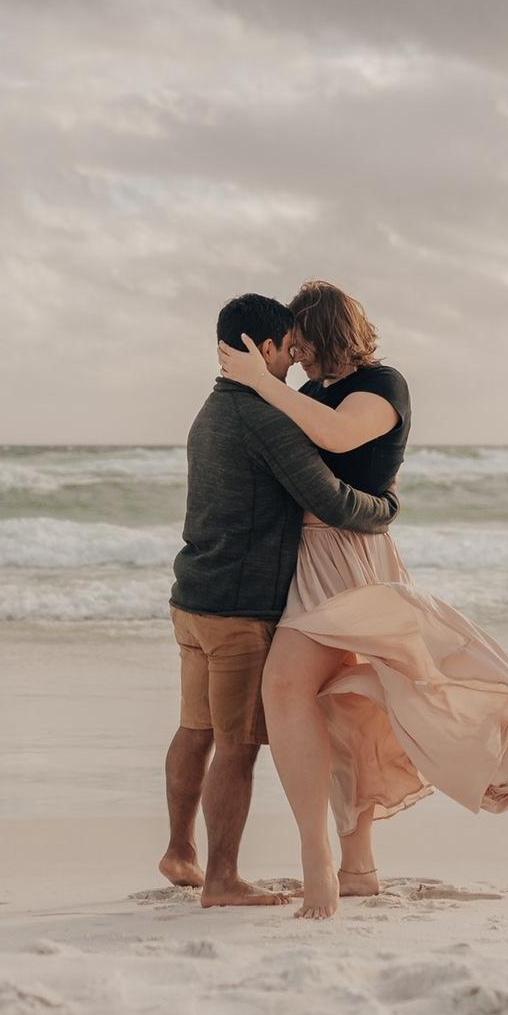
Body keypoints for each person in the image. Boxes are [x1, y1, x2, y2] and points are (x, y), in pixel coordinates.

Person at [218, 280, 508, 919]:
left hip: (353, 561)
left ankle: (318, 861)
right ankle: (358, 868)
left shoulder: (382, 385)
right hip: (309, 559)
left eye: (301, 340)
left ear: (325, 333)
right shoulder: (307, 392)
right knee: (341, 710)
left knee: (287, 689)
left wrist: (263, 383)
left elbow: (338, 438)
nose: (295, 352)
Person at [162, 292, 400, 908]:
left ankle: (180, 851)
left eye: (303, 346)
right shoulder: (267, 417)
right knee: (237, 743)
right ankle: (221, 879)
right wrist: (385, 507)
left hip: (192, 595)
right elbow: (332, 500)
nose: (295, 360)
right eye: (289, 348)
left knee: (196, 729)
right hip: (239, 606)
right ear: (264, 347)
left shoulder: (211, 410)